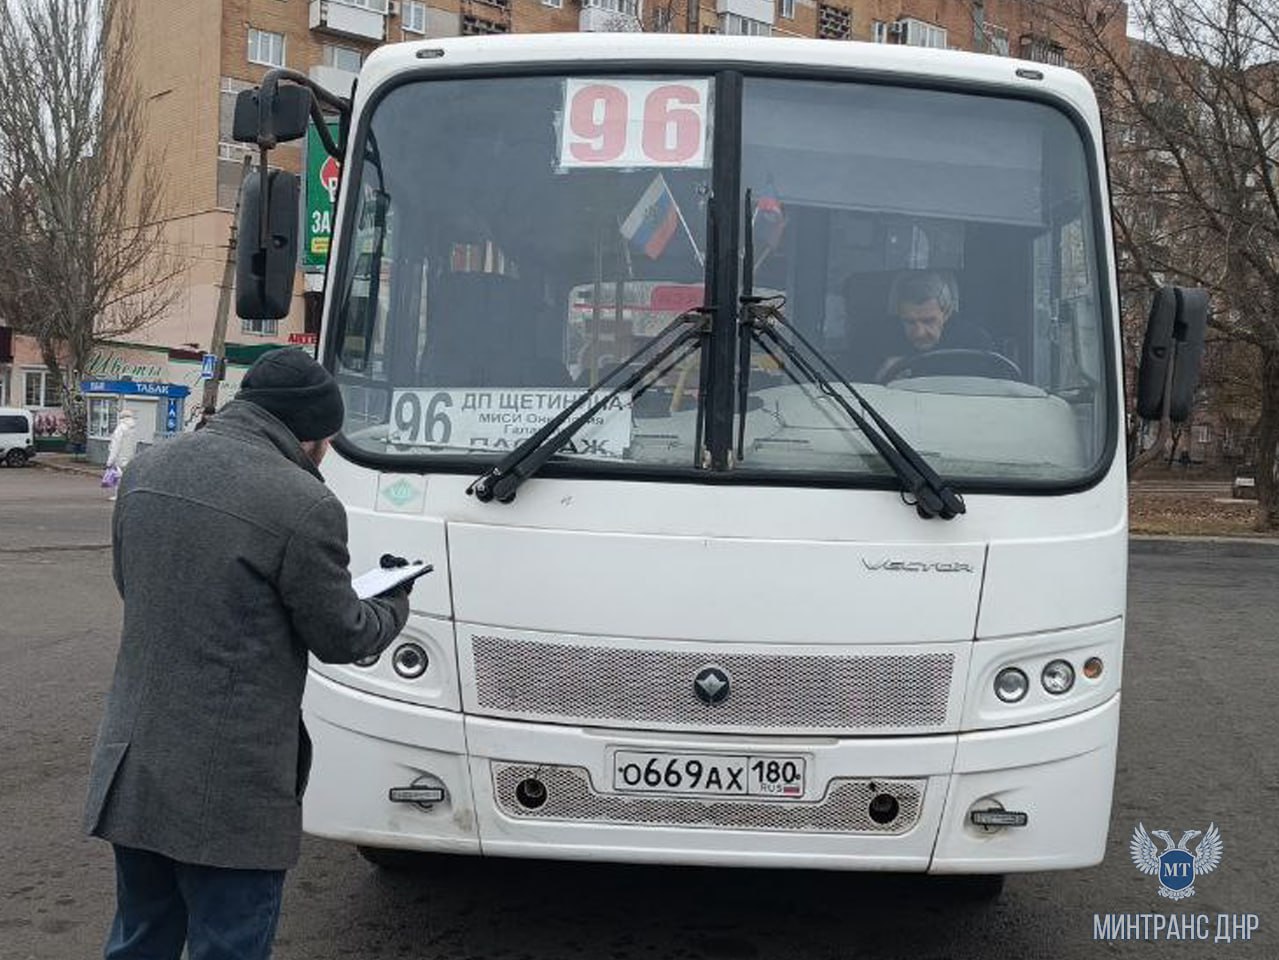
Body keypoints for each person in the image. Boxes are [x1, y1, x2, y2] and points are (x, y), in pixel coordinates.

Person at [84, 348, 413, 960]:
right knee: (228, 944)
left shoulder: (148, 471)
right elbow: (342, 635)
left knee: (139, 937)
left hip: (136, 763)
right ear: (311, 433)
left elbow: (134, 585)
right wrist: (394, 601)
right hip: (230, 786)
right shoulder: (303, 503)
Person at [872, 271, 994, 379]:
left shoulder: (975, 343)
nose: (919, 332)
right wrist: (881, 375)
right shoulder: (876, 341)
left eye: (928, 321)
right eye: (909, 322)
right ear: (899, 315)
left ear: (946, 313)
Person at [104, 409, 138, 502]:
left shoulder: (120, 428)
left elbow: (116, 445)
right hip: (130, 456)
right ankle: (128, 493)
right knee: (127, 476)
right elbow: (135, 444)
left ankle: (118, 495)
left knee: (118, 477)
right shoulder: (133, 429)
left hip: (120, 456)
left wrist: (110, 461)